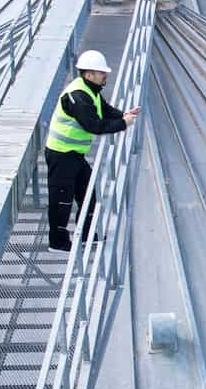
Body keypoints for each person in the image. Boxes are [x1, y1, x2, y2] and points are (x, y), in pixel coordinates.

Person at [44, 50, 139, 251]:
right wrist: (123, 123)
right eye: (101, 72)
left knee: (88, 193)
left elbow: (104, 110)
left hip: (73, 154)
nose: (105, 75)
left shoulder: (90, 91)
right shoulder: (78, 97)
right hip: (61, 154)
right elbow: (94, 125)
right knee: (62, 200)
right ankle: (58, 243)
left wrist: (123, 114)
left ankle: (88, 235)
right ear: (89, 74)